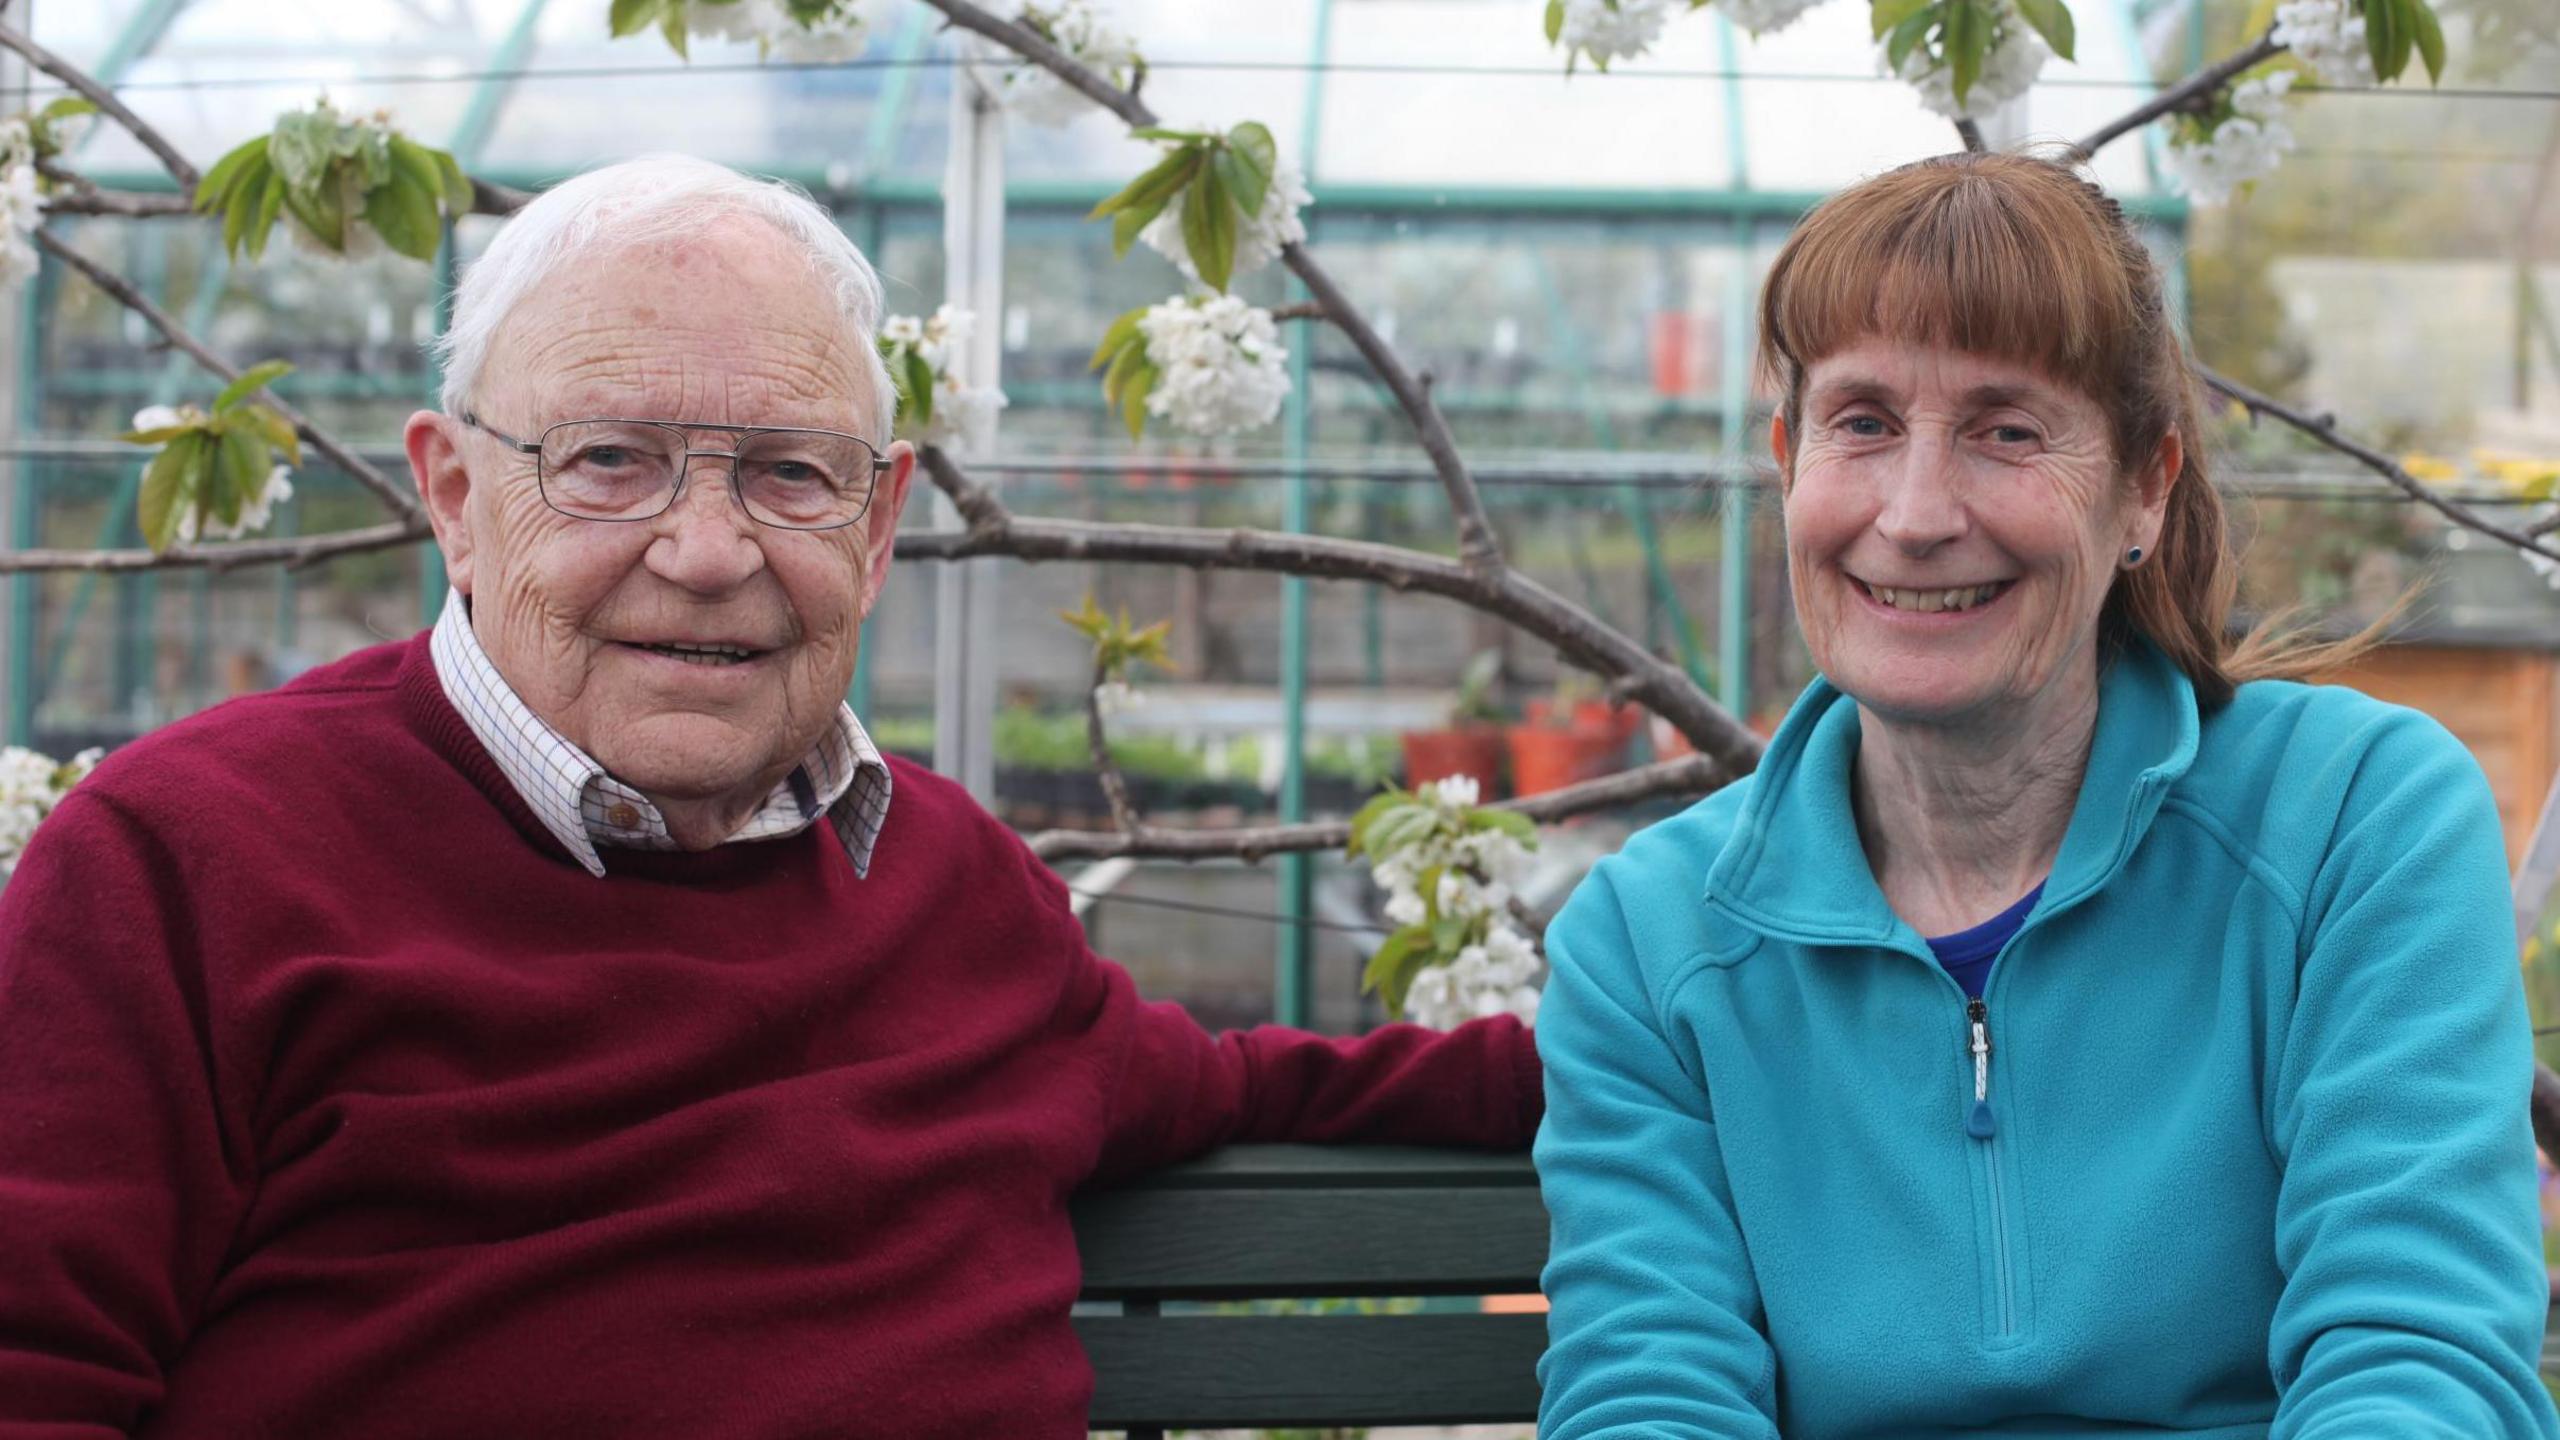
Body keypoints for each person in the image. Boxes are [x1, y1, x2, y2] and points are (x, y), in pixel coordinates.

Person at [0, 155, 1541, 1437]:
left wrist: (1688, 1038)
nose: (708, 550)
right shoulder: (183, 868)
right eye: (611, 461)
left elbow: (1263, 1093)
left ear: (878, 529)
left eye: (790, 475)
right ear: (457, 501)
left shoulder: (957, 896)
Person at [1534, 150, 2558, 1438]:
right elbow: (1648, 1396)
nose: (1912, 514)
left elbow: (2419, 1364)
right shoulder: (1645, 944)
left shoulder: (2358, 821)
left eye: (2006, 430)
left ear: (2145, 487)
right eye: (1862, 423)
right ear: (1789, 461)